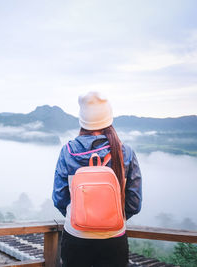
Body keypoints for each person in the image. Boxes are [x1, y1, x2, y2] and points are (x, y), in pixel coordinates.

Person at [52, 91, 142, 267]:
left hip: (76, 237)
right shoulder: (125, 152)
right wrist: (110, 220)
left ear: (82, 120)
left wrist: (80, 218)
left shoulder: (68, 151)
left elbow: (59, 198)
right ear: (109, 119)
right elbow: (134, 203)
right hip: (114, 239)